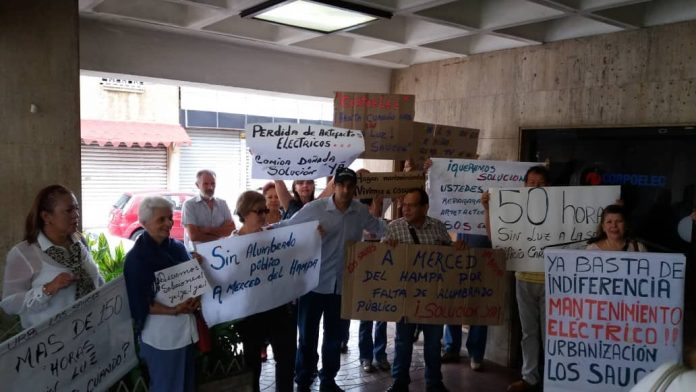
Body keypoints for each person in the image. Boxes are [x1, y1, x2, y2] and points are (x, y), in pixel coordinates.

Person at [274, 167, 387, 392]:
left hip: (342, 287)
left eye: (350, 186)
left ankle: (328, 380)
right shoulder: (315, 209)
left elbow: (379, 228)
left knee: (335, 338)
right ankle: (304, 380)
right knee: (307, 338)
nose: (345, 190)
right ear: (333, 186)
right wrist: (257, 231)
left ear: (355, 189)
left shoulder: (360, 211)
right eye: (341, 185)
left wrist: (398, 232)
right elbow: (288, 226)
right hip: (313, 286)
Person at [383, 188, 466, 392]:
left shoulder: (437, 228)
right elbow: (381, 260)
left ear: (424, 207)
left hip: (432, 297)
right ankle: (399, 383)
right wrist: (386, 247)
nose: (405, 208)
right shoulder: (394, 228)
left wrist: (456, 248)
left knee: (433, 342)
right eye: (404, 204)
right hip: (405, 296)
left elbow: (448, 254)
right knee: (402, 342)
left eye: (411, 205)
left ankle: (434, 382)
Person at [483, 165, 549, 392]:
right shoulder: (515, 209)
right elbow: (496, 238)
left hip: (552, 283)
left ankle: (554, 379)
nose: (536, 187)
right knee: (529, 333)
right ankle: (530, 377)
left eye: (540, 183)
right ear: (524, 185)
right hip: (524, 279)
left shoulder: (560, 209)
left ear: (548, 186)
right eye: (531, 183)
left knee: (551, 335)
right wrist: (487, 209)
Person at [123, 196, 200, 392]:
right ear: (144, 223)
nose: (168, 223)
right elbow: (138, 302)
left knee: (186, 386)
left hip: (186, 331)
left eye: (169, 218)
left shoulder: (178, 247)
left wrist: (195, 293)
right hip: (162, 337)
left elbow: (191, 283)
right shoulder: (136, 258)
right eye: (161, 220)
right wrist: (174, 310)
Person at [1, 185, 103, 329]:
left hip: (92, 333)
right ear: (46, 217)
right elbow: (9, 304)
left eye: (77, 208)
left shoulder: (79, 242)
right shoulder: (24, 253)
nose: (76, 215)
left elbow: (97, 281)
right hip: (54, 343)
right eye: (69, 210)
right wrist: (48, 289)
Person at [231, 190, 296, 392]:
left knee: (285, 358)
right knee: (252, 363)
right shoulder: (229, 246)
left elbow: (296, 252)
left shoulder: (272, 237)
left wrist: (313, 237)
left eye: (265, 211)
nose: (263, 215)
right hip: (250, 313)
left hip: (277, 307)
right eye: (259, 211)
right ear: (243, 212)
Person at [357, 196, 391, 373]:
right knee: (366, 319)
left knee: (382, 318)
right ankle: (366, 357)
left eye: (377, 205)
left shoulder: (385, 225)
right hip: (364, 279)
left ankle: (380, 355)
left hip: (383, 277)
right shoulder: (356, 227)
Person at [182, 169, 235, 247]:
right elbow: (194, 236)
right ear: (197, 185)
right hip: (198, 255)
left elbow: (231, 230)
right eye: (205, 184)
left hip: (221, 252)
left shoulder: (222, 204)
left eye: (213, 183)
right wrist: (220, 233)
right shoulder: (189, 205)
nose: (210, 187)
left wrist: (207, 230)